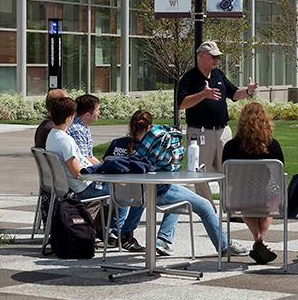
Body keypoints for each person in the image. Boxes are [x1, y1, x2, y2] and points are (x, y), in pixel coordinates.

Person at [104, 110, 248, 258]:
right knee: (203, 206)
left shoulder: (118, 144)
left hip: (127, 195)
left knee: (164, 197)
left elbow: (105, 163)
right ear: (149, 128)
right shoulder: (154, 145)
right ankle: (223, 245)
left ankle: (138, 234)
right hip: (155, 191)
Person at [176, 40, 259, 207]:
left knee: (228, 171)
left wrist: (248, 91)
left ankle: (231, 206)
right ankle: (208, 210)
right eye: (213, 57)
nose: (216, 60)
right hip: (199, 134)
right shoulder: (189, 78)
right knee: (200, 174)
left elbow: (234, 93)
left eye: (218, 57)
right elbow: (181, 103)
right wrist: (203, 94)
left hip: (223, 132)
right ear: (201, 56)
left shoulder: (218, 74)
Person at [222, 102, 284, 264]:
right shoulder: (273, 145)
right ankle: (260, 239)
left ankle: (258, 240)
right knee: (273, 198)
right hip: (266, 199)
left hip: (238, 199)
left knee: (246, 198)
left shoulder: (231, 146)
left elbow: (227, 177)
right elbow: (279, 176)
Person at [44, 96, 111, 243]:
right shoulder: (65, 140)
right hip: (83, 188)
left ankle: (97, 229)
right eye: (74, 115)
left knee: (116, 190)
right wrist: (99, 173)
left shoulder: (52, 136)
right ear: (69, 117)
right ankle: (120, 233)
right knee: (122, 192)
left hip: (69, 186)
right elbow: (77, 173)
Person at [68, 94, 101, 166]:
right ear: (87, 115)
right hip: (82, 173)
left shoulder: (83, 127)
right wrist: (103, 167)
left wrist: (102, 164)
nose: (99, 112)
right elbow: (83, 159)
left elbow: (89, 156)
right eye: (97, 110)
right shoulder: (77, 130)